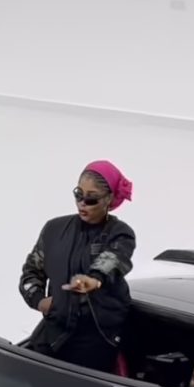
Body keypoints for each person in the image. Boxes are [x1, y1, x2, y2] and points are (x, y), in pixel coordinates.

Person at [20, 160, 135, 373]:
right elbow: (31, 272)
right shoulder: (54, 229)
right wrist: (39, 301)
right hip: (54, 331)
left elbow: (114, 259)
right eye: (78, 194)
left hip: (97, 339)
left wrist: (94, 278)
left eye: (91, 198)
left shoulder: (120, 233)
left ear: (108, 198)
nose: (82, 203)